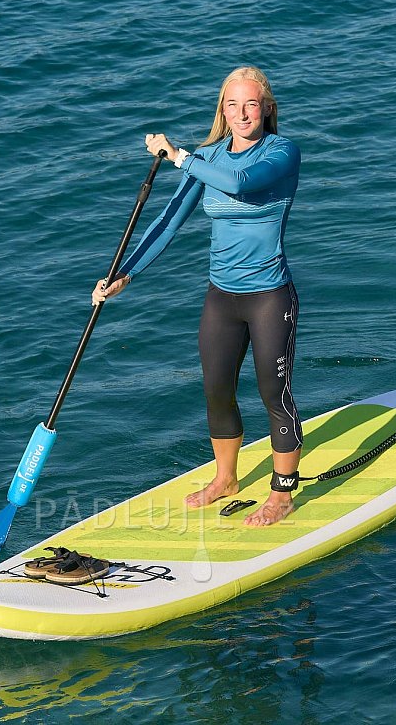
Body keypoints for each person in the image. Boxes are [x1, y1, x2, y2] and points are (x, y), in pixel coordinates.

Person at [91, 66, 303, 527]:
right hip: (221, 298)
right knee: (216, 391)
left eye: (251, 104)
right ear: (222, 111)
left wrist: (181, 156)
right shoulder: (207, 159)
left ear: (266, 108)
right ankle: (226, 478)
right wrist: (126, 274)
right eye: (233, 104)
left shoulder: (282, 153)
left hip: (270, 296)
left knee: (274, 391)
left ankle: (283, 493)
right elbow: (167, 221)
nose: (243, 113)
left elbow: (242, 184)